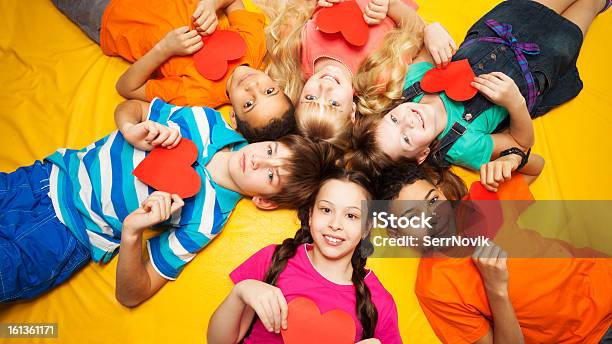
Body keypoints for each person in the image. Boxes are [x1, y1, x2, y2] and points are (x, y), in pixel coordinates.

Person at [0, 98, 326, 305]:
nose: (258, 161)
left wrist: (131, 233)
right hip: (44, 176)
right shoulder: (205, 120)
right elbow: (132, 107)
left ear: (265, 202)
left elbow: (132, 294)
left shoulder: (206, 221)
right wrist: (131, 127)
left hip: (61, 236)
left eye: (271, 176)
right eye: (270, 151)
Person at [354, 0, 608, 172]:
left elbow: (422, 39)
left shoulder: (412, 85)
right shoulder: (460, 147)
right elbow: (520, 144)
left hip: (499, 28)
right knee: (590, 5)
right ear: (421, 156)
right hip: (541, 63)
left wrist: (429, 32)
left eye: (393, 120)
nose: (407, 122)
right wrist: (514, 102)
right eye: (406, 138)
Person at [375, 160, 612, 344]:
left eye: (433, 200)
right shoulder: (435, 288)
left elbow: (534, 167)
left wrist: (510, 160)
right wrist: (495, 288)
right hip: (588, 338)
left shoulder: (479, 202)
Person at [207, 158, 402, 343]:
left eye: (351, 216)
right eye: (326, 210)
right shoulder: (273, 259)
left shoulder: (379, 301)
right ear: (310, 215)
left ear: (367, 227)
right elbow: (217, 342)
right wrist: (241, 291)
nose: (335, 224)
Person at [52, 0, 296, 143]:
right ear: (276, 82)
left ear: (233, 116)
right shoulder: (254, 44)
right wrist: (210, 5)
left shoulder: (197, 95)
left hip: (112, 15)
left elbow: (127, 87)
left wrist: (164, 49)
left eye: (249, 104)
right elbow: (233, 2)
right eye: (269, 90)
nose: (253, 87)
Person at [258, 0, 451, 146]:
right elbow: (415, 31)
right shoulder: (379, 77)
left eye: (310, 97)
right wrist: (390, 6)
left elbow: (295, 8)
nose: (325, 87)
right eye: (334, 103)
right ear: (351, 111)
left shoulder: (296, 49)